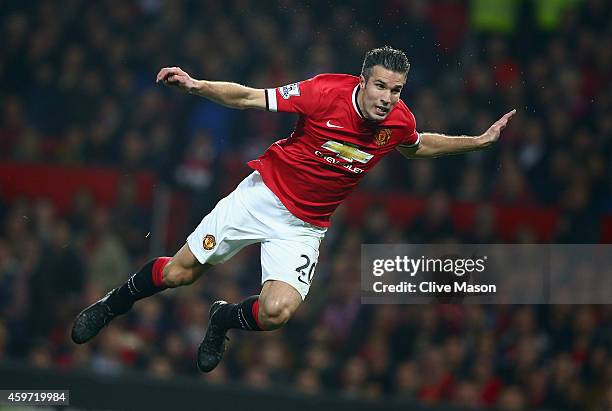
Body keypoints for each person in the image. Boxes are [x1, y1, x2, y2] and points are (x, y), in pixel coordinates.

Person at [71, 46, 515, 372]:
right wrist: (197, 85)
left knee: (277, 313)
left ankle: (222, 318)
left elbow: (418, 148)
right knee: (178, 274)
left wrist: (476, 142)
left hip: (305, 226)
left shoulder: (399, 121)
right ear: (362, 81)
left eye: (396, 90)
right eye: (380, 86)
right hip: (262, 195)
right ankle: (113, 305)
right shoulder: (323, 92)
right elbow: (248, 97)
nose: (387, 97)